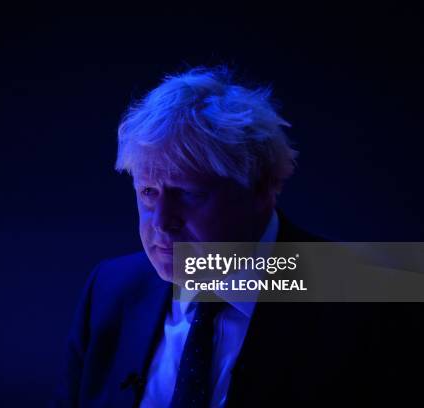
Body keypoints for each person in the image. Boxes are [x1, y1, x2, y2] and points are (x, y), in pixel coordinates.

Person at [53, 66, 420, 407]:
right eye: (148, 192)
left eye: (189, 193)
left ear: (263, 189)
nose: (162, 223)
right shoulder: (110, 289)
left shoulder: (372, 299)